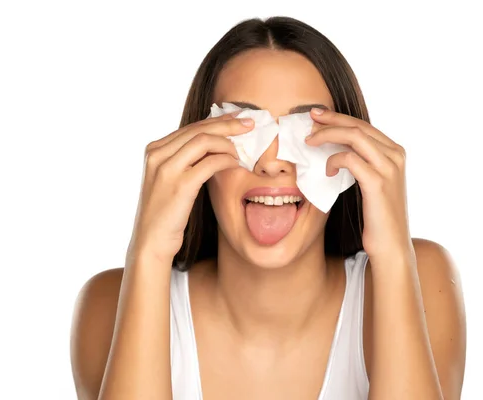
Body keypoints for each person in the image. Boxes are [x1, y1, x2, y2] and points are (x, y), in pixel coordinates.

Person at [70, 16, 466, 400]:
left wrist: (394, 252)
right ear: (196, 154)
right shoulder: (108, 304)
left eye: (304, 132)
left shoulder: (421, 277)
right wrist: (149, 253)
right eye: (246, 130)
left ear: (351, 153)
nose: (273, 162)